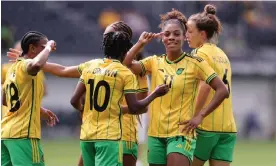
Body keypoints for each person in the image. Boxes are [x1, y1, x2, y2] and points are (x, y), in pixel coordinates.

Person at [7, 21, 150, 166]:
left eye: (109, 35)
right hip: (95, 133)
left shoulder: (136, 68)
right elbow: (63, 70)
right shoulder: (96, 66)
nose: (105, 38)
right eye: (105, 35)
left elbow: (140, 105)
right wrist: (31, 60)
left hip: (123, 135)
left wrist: (112, 109)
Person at [123, 8, 229, 166]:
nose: (171, 37)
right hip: (155, 135)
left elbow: (222, 90)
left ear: (184, 35)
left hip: (181, 134)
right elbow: (125, 65)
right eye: (167, 34)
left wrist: (200, 115)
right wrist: (140, 43)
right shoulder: (154, 61)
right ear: (162, 38)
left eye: (176, 34)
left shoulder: (196, 63)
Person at [70, 31, 169, 166]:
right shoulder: (124, 73)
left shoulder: (91, 66)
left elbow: (74, 100)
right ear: (124, 52)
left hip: (87, 135)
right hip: (109, 136)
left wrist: (84, 111)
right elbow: (135, 108)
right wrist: (155, 94)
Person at [184, 4, 237, 166]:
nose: (186, 35)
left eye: (190, 31)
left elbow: (205, 86)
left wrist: (195, 116)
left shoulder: (199, 53)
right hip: (227, 128)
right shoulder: (222, 54)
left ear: (202, 34)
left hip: (206, 126)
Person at [1, 31, 58, 166]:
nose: (46, 52)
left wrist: (37, 108)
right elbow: (36, 65)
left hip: (6, 135)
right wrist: (49, 46)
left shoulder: (11, 69)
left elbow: (5, 100)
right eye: (42, 48)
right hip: (23, 135)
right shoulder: (29, 67)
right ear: (32, 48)